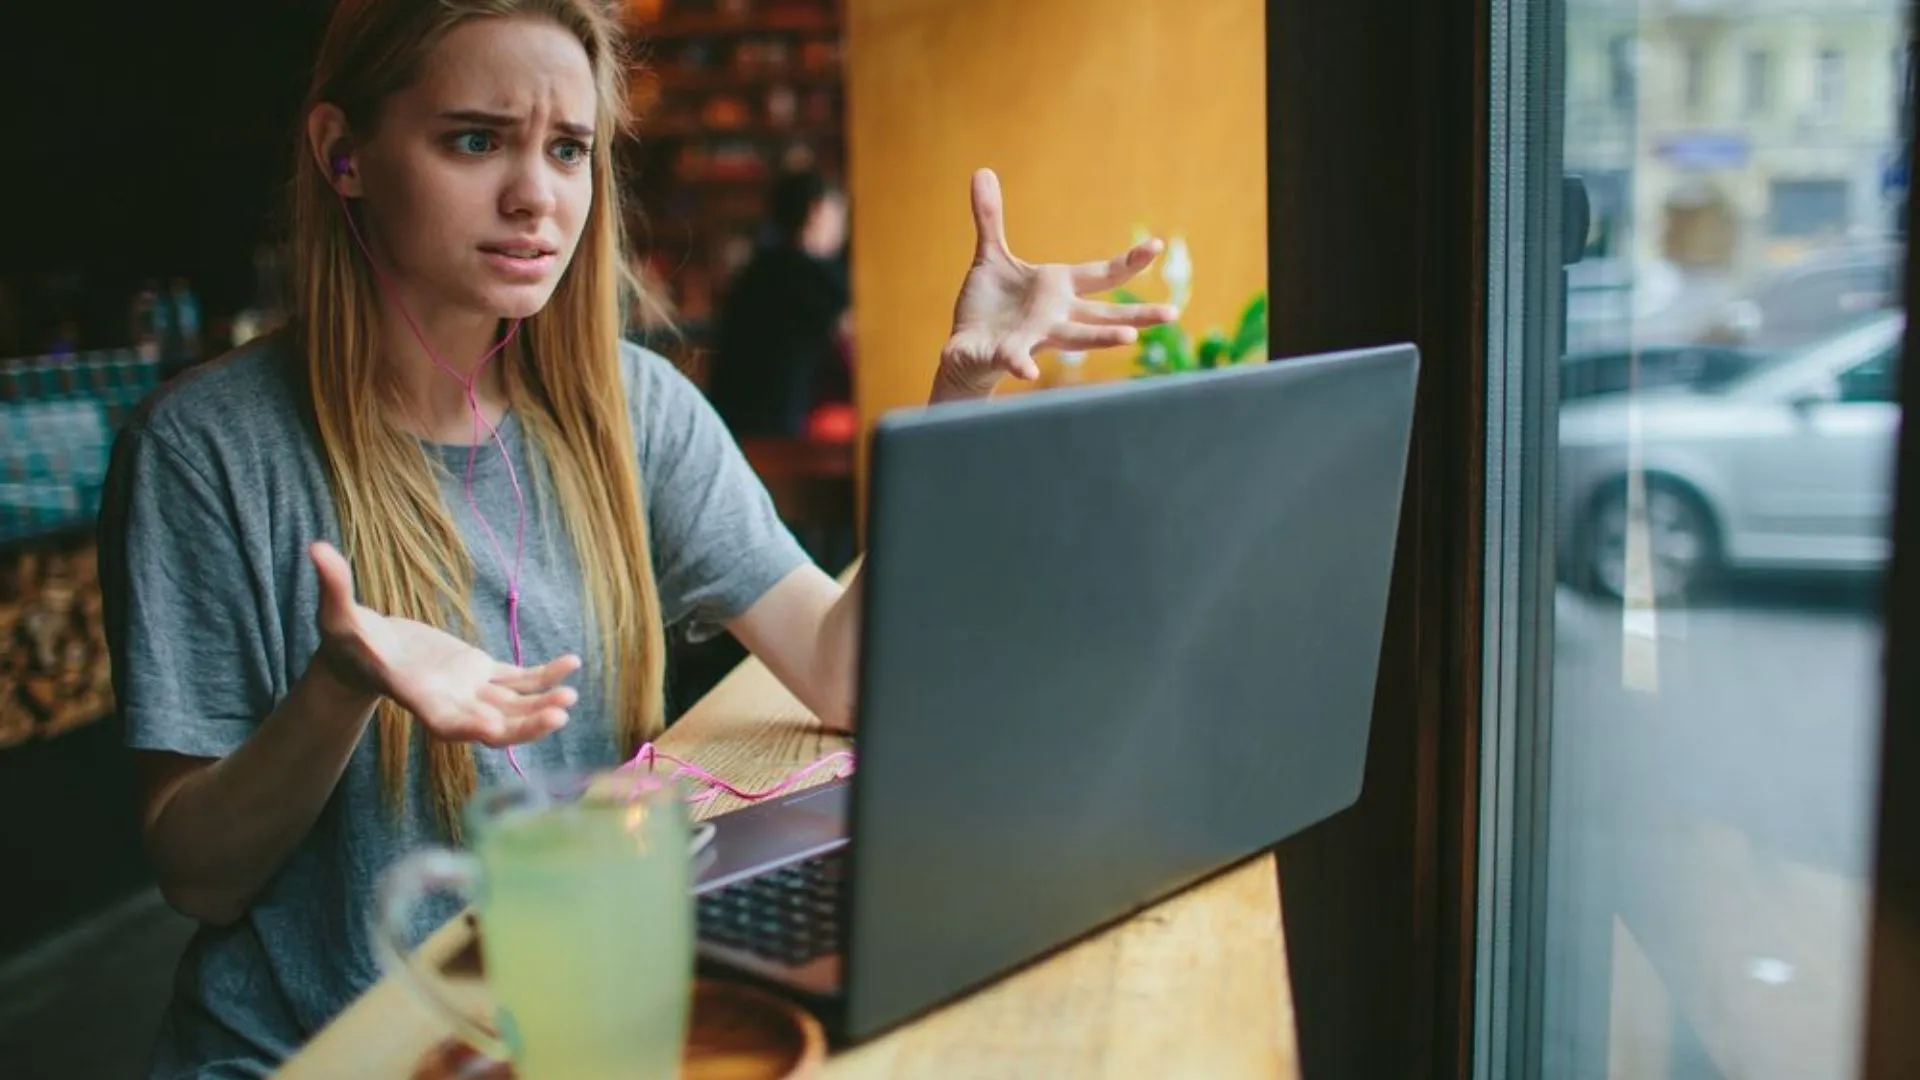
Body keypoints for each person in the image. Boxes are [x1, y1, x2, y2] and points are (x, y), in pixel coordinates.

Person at [96, 2, 1175, 1076]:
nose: (536, 196)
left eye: (568, 149)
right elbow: (201, 877)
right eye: (475, 139)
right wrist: (339, 686)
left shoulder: (633, 410)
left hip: (562, 1028)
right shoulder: (204, 448)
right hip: (314, 1055)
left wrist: (963, 385)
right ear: (345, 154)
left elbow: (842, 672)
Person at [708, 168, 853, 438]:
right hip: (779, 426)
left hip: (729, 418)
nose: (843, 227)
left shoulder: (757, 268)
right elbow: (853, 346)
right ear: (817, 211)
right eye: (839, 213)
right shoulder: (816, 275)